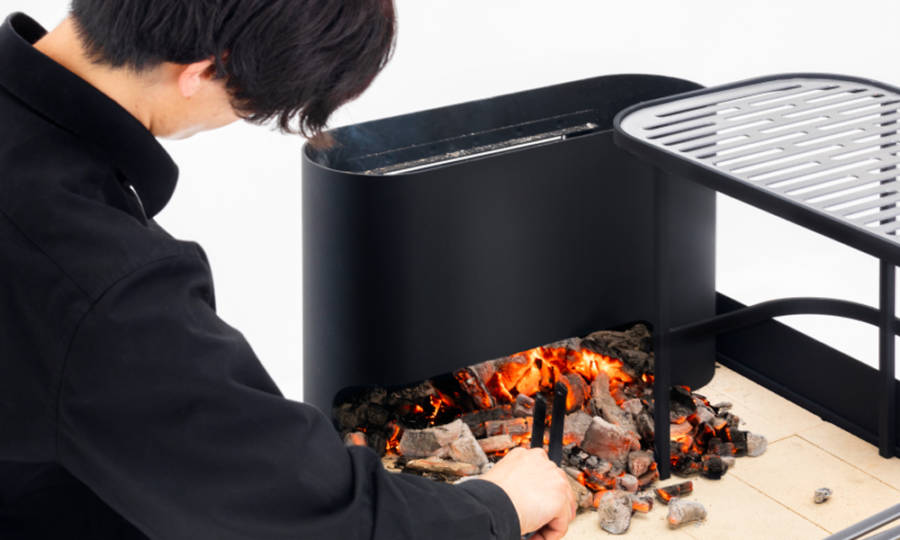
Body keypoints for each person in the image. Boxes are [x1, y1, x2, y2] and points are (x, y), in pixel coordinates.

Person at [0, 2, 576, 539]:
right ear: (201, 71)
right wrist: (497, 505)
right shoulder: (96, 281)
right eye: (249, 103)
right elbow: (297, 511)